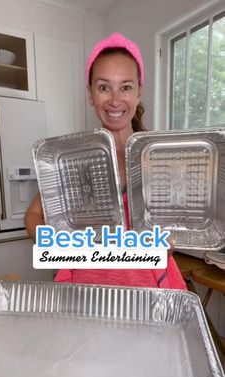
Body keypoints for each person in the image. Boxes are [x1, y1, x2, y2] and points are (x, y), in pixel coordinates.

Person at [25, 32, 186, 290]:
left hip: (150, 293)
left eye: (125, 86)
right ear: (91, 94)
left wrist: (168, 243)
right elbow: (33, 214)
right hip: (85, 293)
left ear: (139, 92)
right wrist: (59, 247)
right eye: (103, 87)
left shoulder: (159, 158)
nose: (114, 100)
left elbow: (177, 230)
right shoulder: (72, 159)